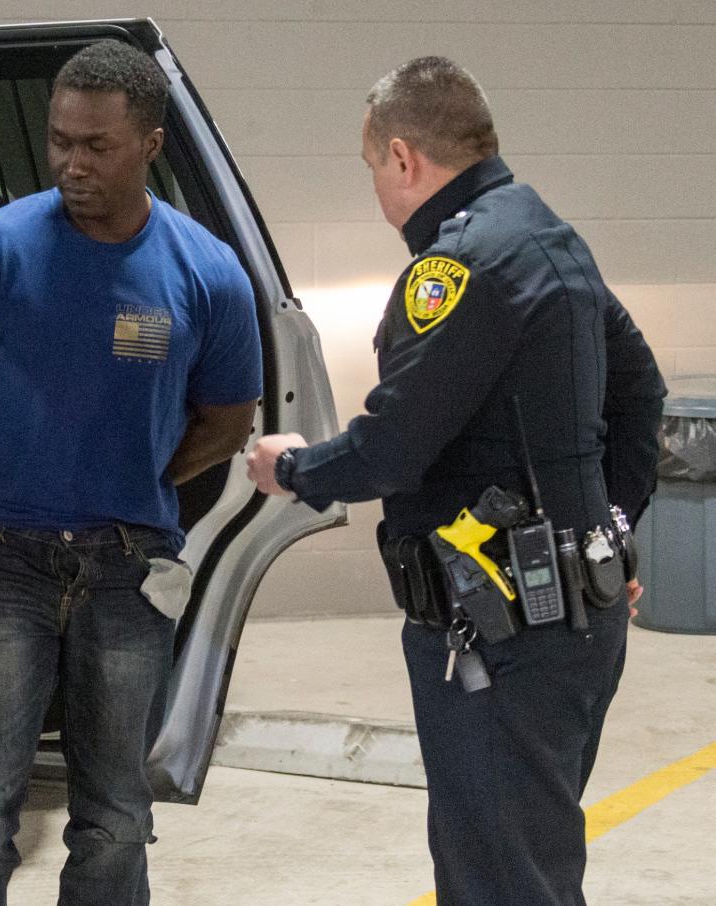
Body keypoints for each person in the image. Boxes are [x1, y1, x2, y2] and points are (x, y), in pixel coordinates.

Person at [247, 56, 665, 905]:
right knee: (526, 860)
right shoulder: (547, 233)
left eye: (373, 169)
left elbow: (394, 445)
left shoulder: (460, 267)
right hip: (571, 623)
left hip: (500, 637)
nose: (378, 189)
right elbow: (640, 393)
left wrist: (291, 468)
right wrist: (609, 534)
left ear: (404, 159)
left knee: (501, 878)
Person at [0, 39, 262, 906]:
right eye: (60, 140)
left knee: (116, 814)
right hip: (0, 562)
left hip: (128, 570)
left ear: (151, 147)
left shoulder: (207, 272)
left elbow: (230, 419)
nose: (71, 163)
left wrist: (134, 473)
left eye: (96, 146)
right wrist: (0, 459)